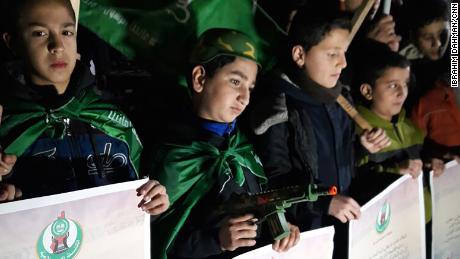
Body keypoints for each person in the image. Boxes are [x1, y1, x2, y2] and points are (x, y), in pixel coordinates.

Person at [0, 0, 168, 216]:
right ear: (12, 42)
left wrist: (154, 200)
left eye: (67, 32)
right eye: (39, 33)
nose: (57, 45)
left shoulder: (109, 116)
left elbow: (135, 199)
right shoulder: (7, 124)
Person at [247, 7, 391, 258]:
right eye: (332, 53)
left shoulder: (339, 98)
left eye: (344, 53)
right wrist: (324, 202)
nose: (343, 63)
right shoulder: (277, 107)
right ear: (300, 54)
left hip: (342, 224)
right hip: (302, 235)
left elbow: (335, 160)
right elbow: (272, 181)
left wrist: (361, 148)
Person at [150, 28, 300, 259]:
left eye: (250, 87)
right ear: (200, 78)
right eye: (235, 81)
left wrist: (278, 227)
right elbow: (152, 241)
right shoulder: (170, 155)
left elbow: (258, 209)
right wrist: (215, 241)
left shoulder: (243, 146)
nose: (245, 97)